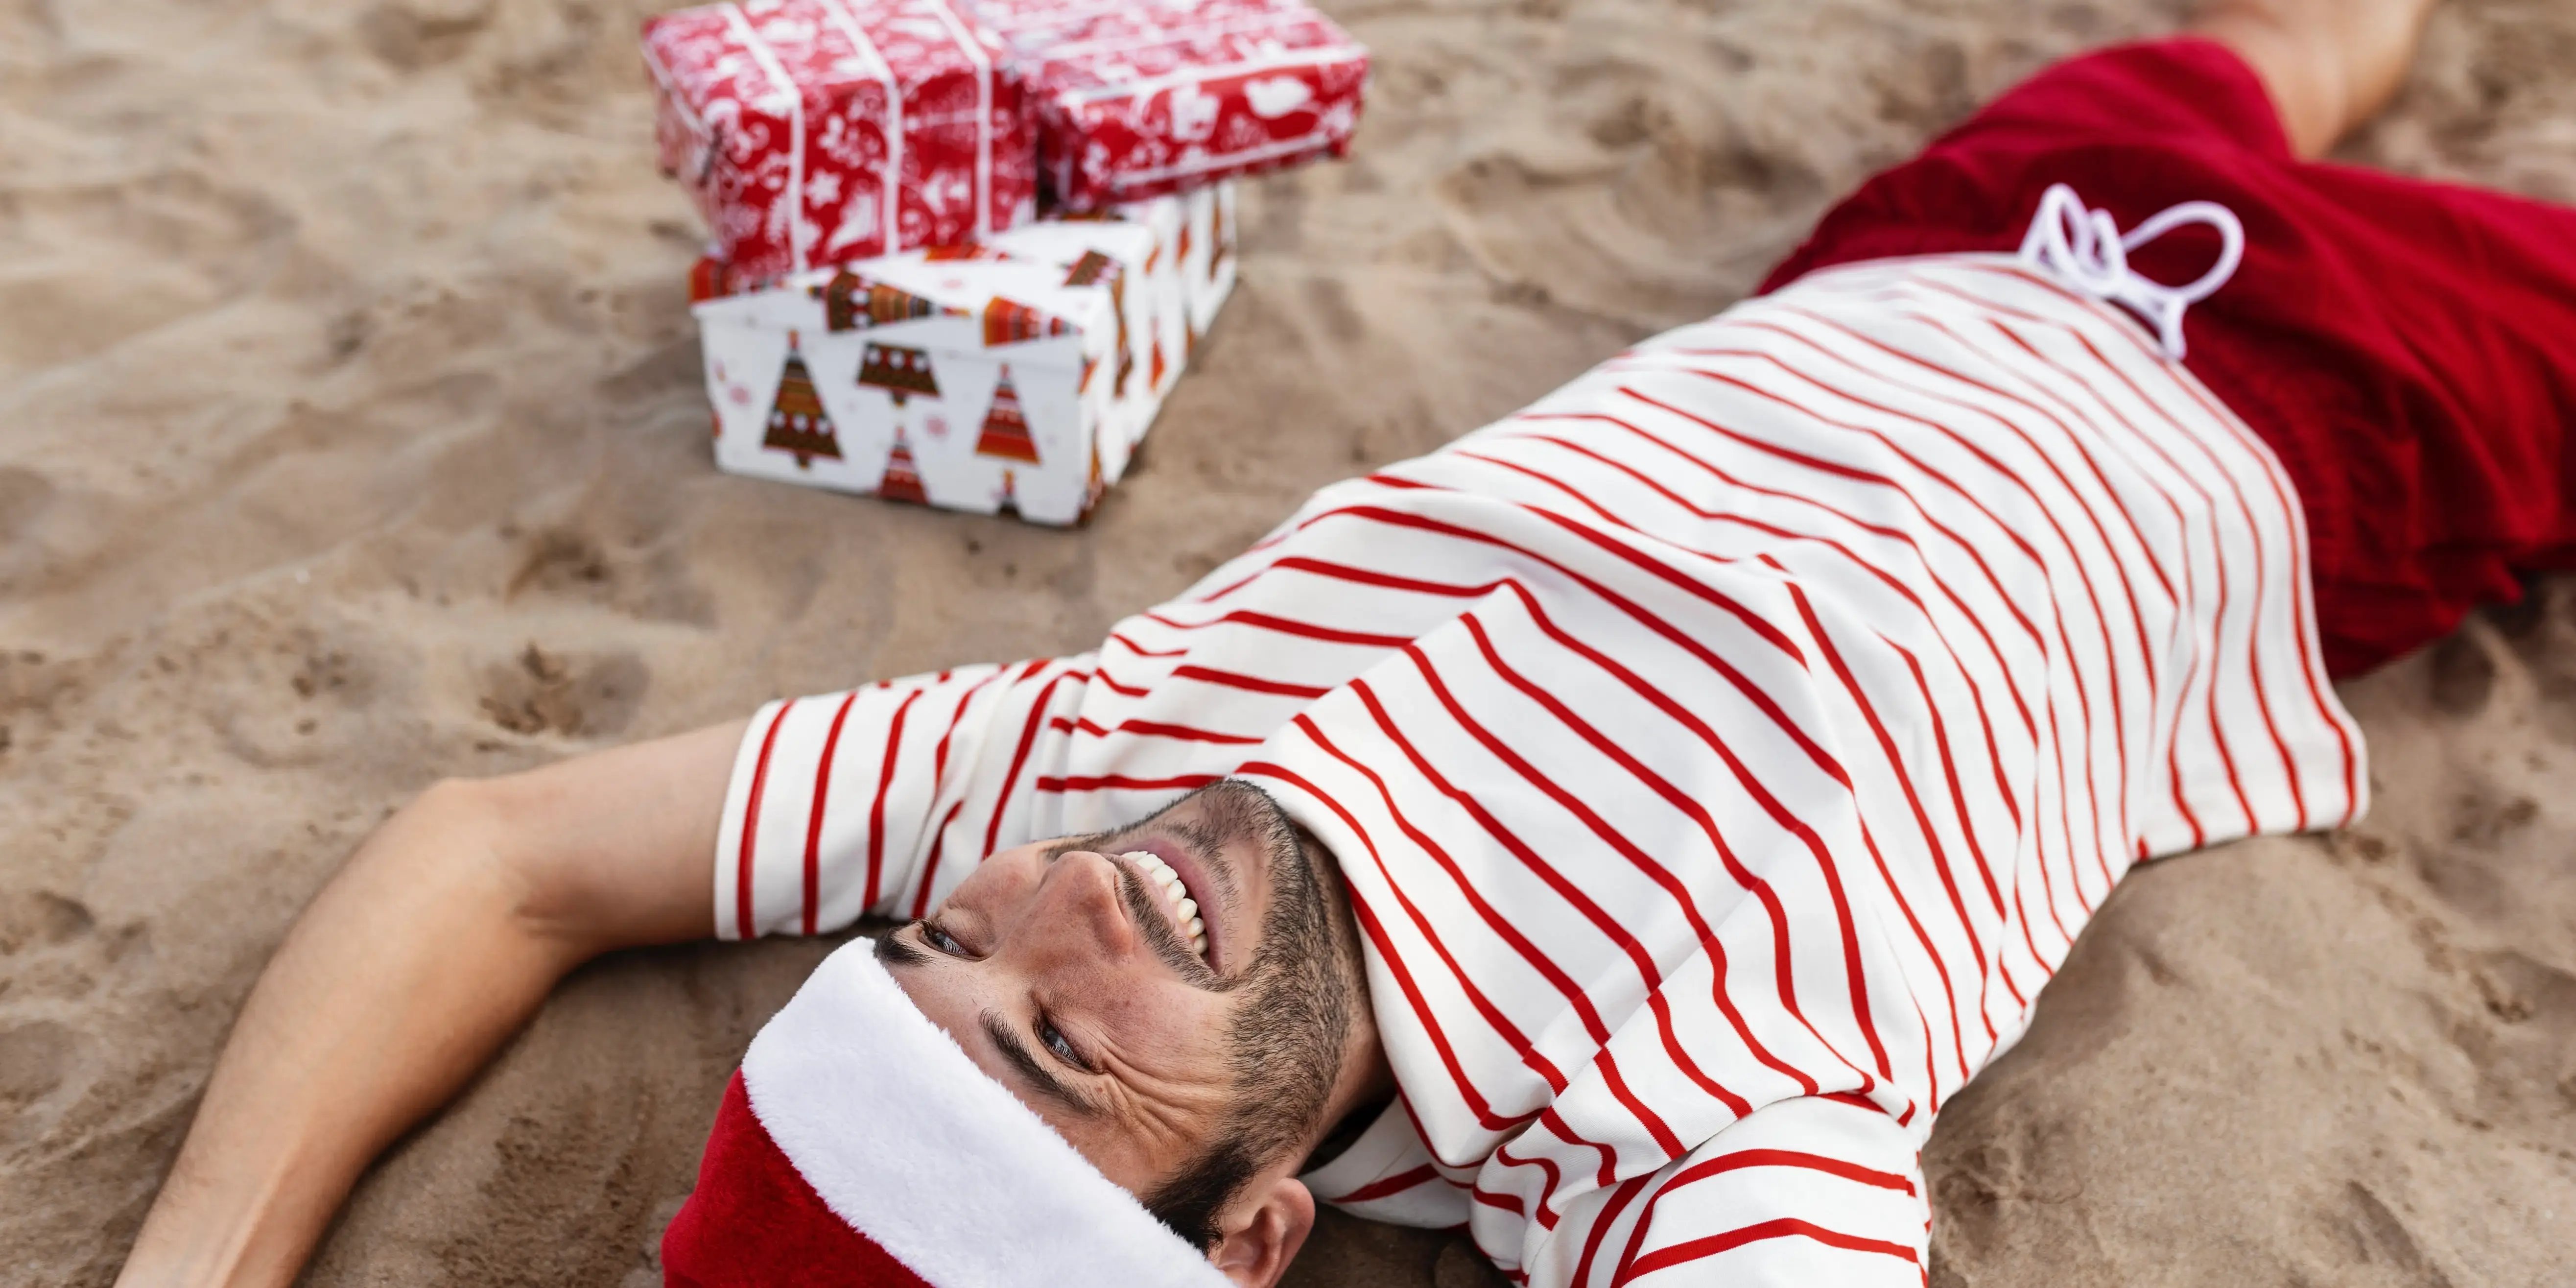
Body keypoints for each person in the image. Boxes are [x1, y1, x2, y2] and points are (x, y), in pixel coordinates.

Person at [115, 0, 2576, 1283]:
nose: (1058, 917)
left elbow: (496, 859)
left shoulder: (1081, 774)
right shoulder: (1683, 1122)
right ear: (1257, 1230)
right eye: (1067, 1053)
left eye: (938, 955)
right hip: (2313, 422)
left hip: (1917, 253)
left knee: (2292, 47)